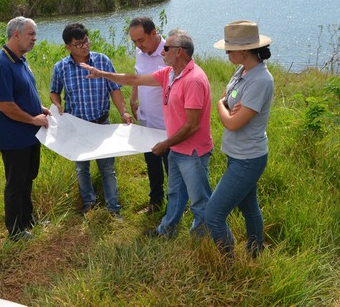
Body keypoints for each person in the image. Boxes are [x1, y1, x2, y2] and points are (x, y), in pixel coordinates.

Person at [80, 29, 213, 237]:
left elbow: (193, 125)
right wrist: (102, 74)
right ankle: (166, 231)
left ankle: (204, 240)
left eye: (167, 48)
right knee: (175, 193)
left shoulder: (193, 80)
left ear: (180, 52)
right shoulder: (169, 74)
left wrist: (166, 144)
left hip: (193, 151)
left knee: (199, 200)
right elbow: (134, 79)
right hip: (178, 148)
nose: (162, 52)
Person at [205, 20, 274, 260]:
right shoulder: (242, 70)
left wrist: (219, 106)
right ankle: (256, 252)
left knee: (213, 215)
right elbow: (227, 96)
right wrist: (224, 104)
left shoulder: (260, 81)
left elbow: (232, 122)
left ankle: (229, 262)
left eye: (229, 48)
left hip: (248, 158)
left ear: (245, 50)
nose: (226, 53)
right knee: (248, 207)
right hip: (237, 155)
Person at [49, 23, 133, 218]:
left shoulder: (102, 61)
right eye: (78, 44)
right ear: (68, 47)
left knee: (107, 168)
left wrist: (123, 112)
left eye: (86, 40)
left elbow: (115, 89)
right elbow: (54, 91)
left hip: (101, 123)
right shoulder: (61, 67)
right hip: (77, 126)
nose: (84, 45)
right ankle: (89, 202)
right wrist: (57, 103)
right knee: (82, 167)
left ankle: (113, 207)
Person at [0, 16, 51, 242]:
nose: (35, 38)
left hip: (30, 136)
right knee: (16, 183)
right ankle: (15, 230)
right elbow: (5, 106)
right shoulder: (0, 65)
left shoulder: (20, 60)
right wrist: (33, 119)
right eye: (31, 34)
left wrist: (40, 108)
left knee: (28, 178)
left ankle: (28, 221)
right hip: (14, 138)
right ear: (16, 35)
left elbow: (21, 94)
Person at [128, 17, 169, 214]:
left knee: (173, 167)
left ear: (154, 33)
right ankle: (156, 201)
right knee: (152, 164)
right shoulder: (139, 52)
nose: (138, 45)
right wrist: (133, 96)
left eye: (141, 40)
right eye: (134, 41)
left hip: (167, 125)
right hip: (146, 120)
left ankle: (177, 206)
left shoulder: (170, 52)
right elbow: (137, 74)